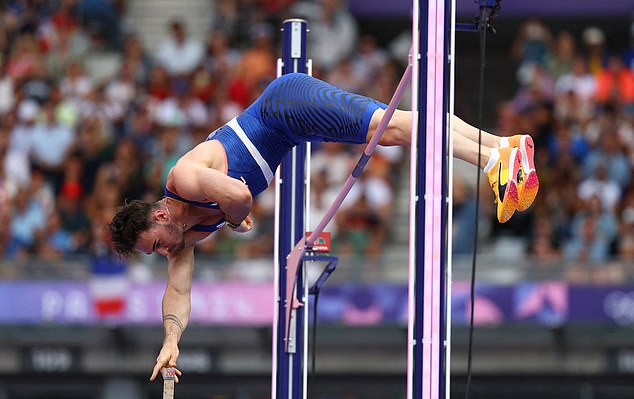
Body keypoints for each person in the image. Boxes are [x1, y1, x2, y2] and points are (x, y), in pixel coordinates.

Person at [107, 73, 539, 381]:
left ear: (160, 216)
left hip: (284, 104)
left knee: (386, 129)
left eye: (157, 244)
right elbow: (178, 293)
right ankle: (503, 147)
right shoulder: (185, 237)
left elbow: (238, 198)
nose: (165, 252)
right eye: (157, 253)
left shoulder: (183, 179)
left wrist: (238, 221)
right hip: (290, 128)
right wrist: (170, 340)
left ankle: (493, 161)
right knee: (394, 128)